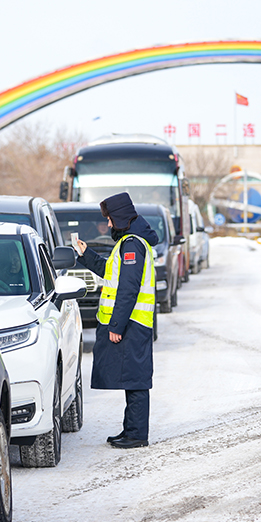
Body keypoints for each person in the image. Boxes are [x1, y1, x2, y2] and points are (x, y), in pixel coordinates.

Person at [74, 192, 158, 449]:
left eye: (110, 219)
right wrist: (86, 254)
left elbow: (128, 289)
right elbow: (111, 274)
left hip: (132, 323)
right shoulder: (128, 243)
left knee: (136, 380)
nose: (108, 224)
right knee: (131, 378)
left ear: (120, 217)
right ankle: (130, 430)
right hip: (132, 323)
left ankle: (136, 435)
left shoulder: (132, 245)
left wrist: (116, 326)